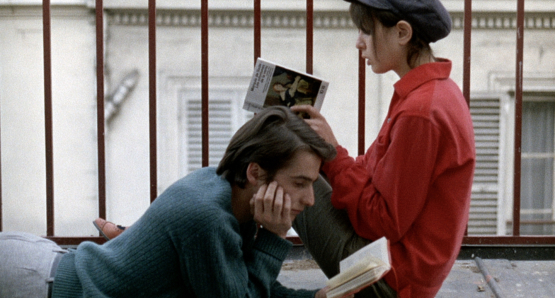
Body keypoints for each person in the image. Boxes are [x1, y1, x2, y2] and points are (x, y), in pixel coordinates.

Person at [0, 106, 337, 298]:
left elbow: (245, 285)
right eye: (300, 183)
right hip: (37, 284)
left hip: (42, 268)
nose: (310, 200)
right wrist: (275, 238)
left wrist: (315, 297)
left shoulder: (230, 194)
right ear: (255, 173)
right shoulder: (209, 218)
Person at [291, 0, 476, 298]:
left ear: (402, 33)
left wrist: (334, 155)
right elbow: (377, 173)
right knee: (303, 159)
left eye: (366, 30)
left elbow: (383, 222)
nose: (358, 43)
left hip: (392, 277)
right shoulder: (434, 91)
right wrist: (328, 151)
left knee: (284, 166)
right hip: (401, 263)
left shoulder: (421, 112)